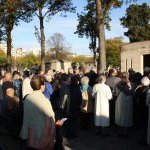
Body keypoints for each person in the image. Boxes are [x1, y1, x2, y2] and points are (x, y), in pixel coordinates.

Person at [20, 75, 55, 149]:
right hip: (40, 139)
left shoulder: (27, 98)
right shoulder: (44, 100)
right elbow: (50, 123)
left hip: (29, 137)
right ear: (42, 86)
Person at [115, 72, 133, 137]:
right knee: (126, 115)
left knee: (120, 115)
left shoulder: (118, 84)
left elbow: (116, 93)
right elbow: (130, 93)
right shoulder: (129, 83)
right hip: (127, 100)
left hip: (119, 99)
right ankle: (125, 132)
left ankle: (120, 131)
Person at [134, 77, 150, 145]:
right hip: (146, 109)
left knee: (141, 123)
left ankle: (142, 138)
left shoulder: (138, 88)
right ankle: (145, 138)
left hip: (139, 108)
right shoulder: (148, 90)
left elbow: (135, 95)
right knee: (146, 124)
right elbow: (147, 102)